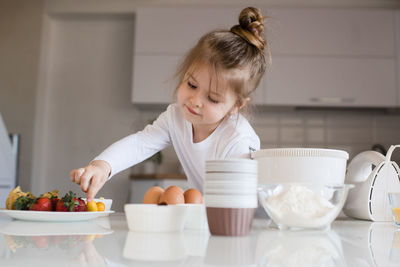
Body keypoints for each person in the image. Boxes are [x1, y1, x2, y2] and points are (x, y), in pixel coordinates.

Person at [70, 7, 271, 201]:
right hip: (208, 217)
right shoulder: (175, 117)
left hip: (243, 220)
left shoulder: (238, 140)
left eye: (212, 98)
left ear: (237, 105)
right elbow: (140, 143)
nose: (195, 101)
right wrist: (103, 166)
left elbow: (235, 202)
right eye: (192, 85)